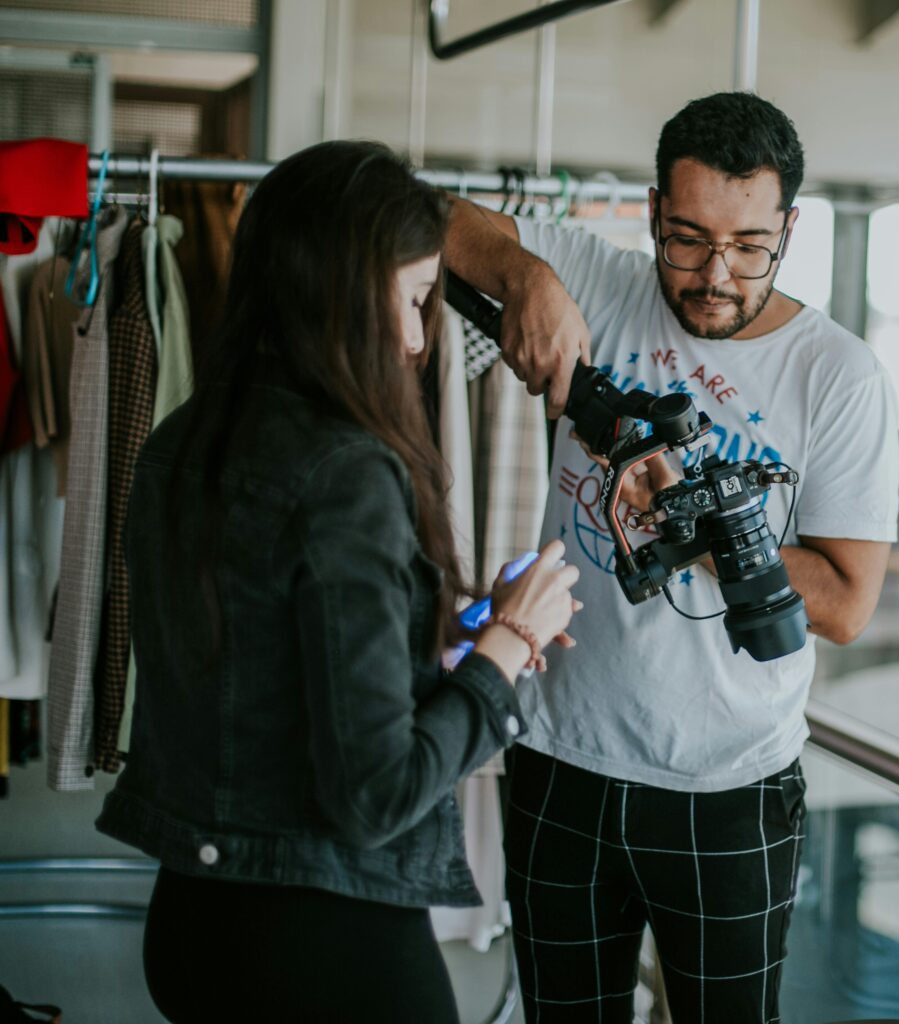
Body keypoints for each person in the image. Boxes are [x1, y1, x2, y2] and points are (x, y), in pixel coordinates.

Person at [95, 140, 580, 1023]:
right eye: (410, 298)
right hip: (324, 947)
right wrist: (507, 647)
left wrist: (452, 630)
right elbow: (376, 795)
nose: (415, 335)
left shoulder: (181, 442)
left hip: (193, 926)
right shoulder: (347, 471)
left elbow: (263, 654)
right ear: (338, 293)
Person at [444, 91, 899, 1022]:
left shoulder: (839, 376)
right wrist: (525, 272)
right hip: (560, 757)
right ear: (653, 212)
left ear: (790, 228)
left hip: (730, 787)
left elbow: (849, 604)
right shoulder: (597, 278)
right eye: (687, 240)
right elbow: (404, 208)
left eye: (748, 247)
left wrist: (687, 524)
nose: (716, 277)